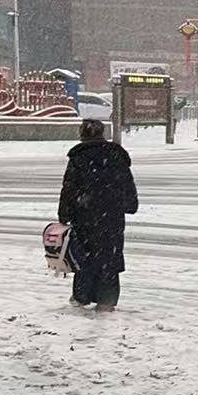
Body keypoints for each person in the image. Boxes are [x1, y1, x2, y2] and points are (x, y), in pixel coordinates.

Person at [58, 120, 138, 311]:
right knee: (109, 257)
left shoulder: (78, 157)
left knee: (85, 256)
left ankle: (82, 295)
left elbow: (68, 188)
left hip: (84, 215)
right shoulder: (116, 156)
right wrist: (129, 204)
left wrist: (64, 214)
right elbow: (126, 184)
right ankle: (107, 300)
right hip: (112, 216)